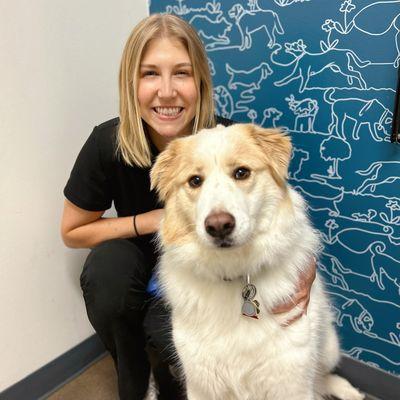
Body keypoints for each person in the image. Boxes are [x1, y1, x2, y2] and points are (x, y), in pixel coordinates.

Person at [61, 13, 316, 400]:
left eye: (181, 73)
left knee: (185, 361)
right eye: (150, 74)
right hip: (139, 260)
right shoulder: (107, 143)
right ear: (132, 83)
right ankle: (134, 374)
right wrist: (149, 221)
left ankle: (165, 368)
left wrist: (304, 267)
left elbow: (277, 209)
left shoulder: (229, 140)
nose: (166, 92)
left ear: (200, 81)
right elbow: (72, 231)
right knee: (106, 273)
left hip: (205, 271)